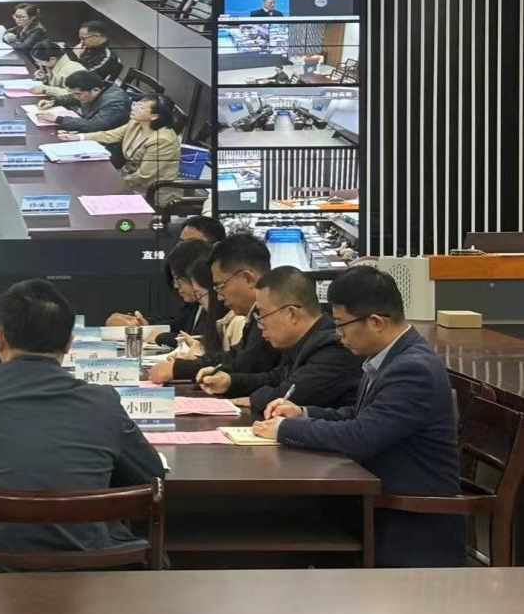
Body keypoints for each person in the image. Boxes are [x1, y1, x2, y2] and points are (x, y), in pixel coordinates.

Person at [0, 279, 163, 571]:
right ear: (69, 342)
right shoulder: (103, 402)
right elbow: (150, 475)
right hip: (87, 574)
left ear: (0, 338)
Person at [253, 267, 464, 567]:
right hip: (373, 498)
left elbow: (360, 437)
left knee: (287, 525)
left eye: (341, 324)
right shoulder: (388, 356)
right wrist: (303, 412)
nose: (338, 334)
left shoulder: (413, 369)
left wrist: (285, 429)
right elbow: (360, 415)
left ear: (376, 322)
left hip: (408, 521)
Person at [198, 266, 361, 416]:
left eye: (262, 315)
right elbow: (275, 378)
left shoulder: (334, 349)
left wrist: (253, 399)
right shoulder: (302, 342)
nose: (260, 324)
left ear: (291, 313)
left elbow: (290, 394)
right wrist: (230, 382)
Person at [161, 234, 280, 383]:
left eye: (220, 286)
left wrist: (182, 369)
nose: (219, 297)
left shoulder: (273, 317)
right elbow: (235, 356)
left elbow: (246, 365)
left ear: (248, 279)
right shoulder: (254, 315)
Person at [59, 94, 182, 207]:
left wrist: (114, 183)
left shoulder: (163, 140)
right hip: (128, 176)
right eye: (136, 104)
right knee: (85, 182)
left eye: (141, 108)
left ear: (154, 116)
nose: (134, 108)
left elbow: (144, 175)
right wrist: (80, 137)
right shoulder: (136, 123)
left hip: (151, 190)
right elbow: (111, 135)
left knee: (95, 194)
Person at [148, 256, 234, 384]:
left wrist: (185, 366)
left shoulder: (237, 321)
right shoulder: (211, 314)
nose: (220, 297)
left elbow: (235, 364)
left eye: (199, 294)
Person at [106, 238, 211, 341]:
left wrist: (159, 337)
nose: (176, 286)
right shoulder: (194, 306)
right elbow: (176, 325)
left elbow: (200, 341)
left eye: (177, 279)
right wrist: (140, 323)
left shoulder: (213, 304)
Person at [47, 70, 129, 134]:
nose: (75, 97)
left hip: (107, 140)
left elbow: (94, 125)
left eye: (78, 94)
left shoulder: (115, 102)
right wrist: (55, 101)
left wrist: (59, 119)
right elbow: (75, 98)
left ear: (95, 90)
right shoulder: (95, 89)